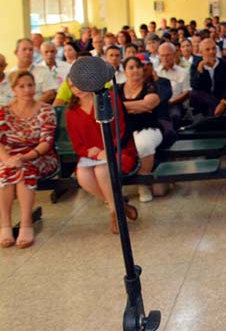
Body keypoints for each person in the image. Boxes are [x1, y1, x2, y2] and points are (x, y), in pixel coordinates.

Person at [66, 80, 138, 234]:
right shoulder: (71, 112)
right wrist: (89, 152)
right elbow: (77, 145)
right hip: (91, 156)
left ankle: (115, 214)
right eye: (72, 85)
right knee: (83, 176)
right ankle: (121, 206)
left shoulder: (110, 98)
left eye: (79, 82)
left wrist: (108, 149)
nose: (77, 88)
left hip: (119, 150)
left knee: (101, 170)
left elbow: (122, 129)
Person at [0, 71, 58, 248]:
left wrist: (23, 158)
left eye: (30, 85)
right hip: (10, 158)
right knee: (5, 170)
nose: (27, 90)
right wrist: (8, 159)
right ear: (14, 89)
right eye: (21, 86)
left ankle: (26, 224)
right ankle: (5, 225)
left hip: (40, 157)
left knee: (24, 169)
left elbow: (45, 144)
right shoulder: (4, 112)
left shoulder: (46, 110)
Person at [120, 56, 163, 202]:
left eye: (138, 67)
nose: (135, 70)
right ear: (124, 71)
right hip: (125, 130)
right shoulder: (118, 89)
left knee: (143, 144)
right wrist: (138, 106)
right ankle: (116, 187)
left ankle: (143, 184)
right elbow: (112, 108)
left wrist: (123, 107)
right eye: (131, 67)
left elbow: (149, 104)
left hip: (149, 127)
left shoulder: (150, 86)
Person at [189, 38, 226, 118]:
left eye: (214, 48)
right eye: (208, 49)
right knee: (195, 93)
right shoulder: (196, 65)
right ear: (201, 52)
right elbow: (194, 86)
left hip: (221, 100)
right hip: (203, 103)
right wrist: (200, 69)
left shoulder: (225, 64)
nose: (212, 52)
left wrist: (223, 103)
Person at [9, 38, 58, 104]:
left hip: (38, 110)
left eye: (31, 50)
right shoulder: (10, 73)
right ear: (16, 52)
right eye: (24, 49)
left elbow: (50, 94)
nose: (28, 52)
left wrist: (32, 106)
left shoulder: (42, 70)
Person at [156, 42, 191, 129]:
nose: (165, 58)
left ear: (174, 55)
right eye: (162, 55)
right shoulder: (156, 73)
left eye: (168, 55)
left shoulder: (183, 72)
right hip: (157, 105)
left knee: (174, 115)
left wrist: (170, 102)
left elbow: (186, 92)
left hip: (175, 104)